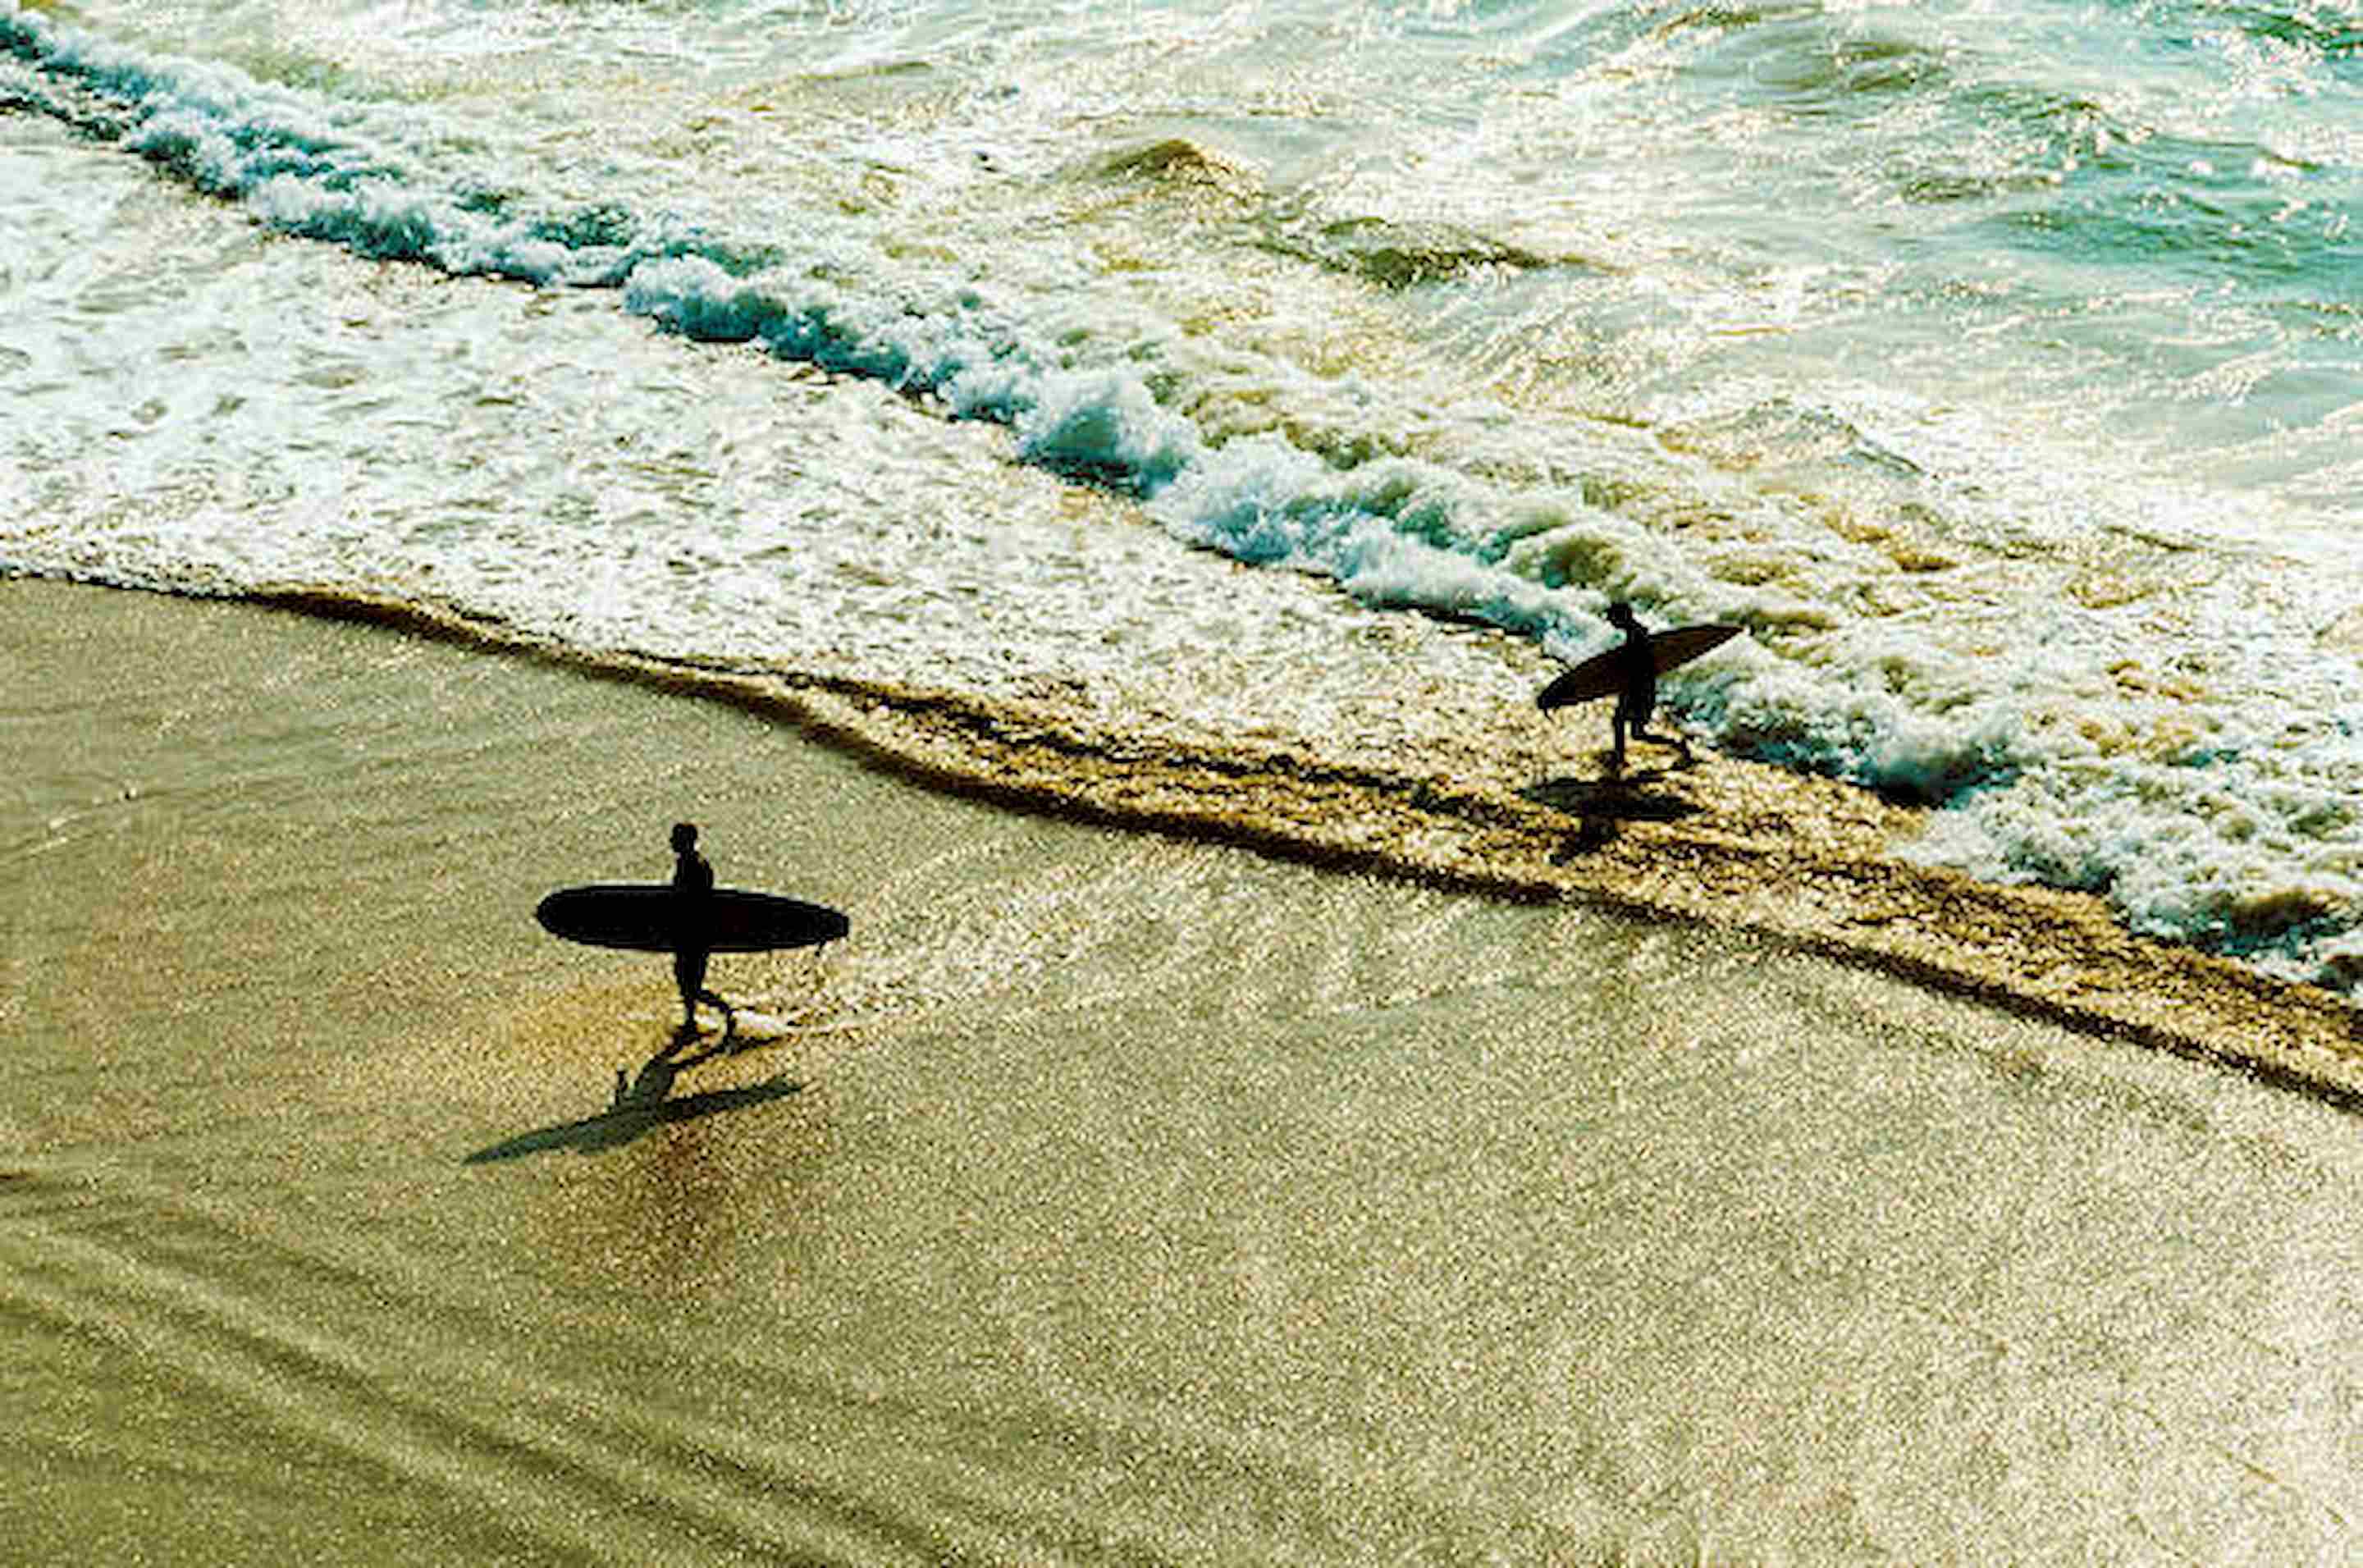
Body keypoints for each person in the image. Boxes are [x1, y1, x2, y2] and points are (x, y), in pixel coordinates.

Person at [1605, 601, 1693, 777]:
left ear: (1622, 617)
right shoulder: (1636, 633)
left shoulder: (1637, 636)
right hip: (1636, 689)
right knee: (1621, 723)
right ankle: (1619, 756)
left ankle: (1678, 746)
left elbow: (1641, 667)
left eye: (1613, 618)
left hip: (1639, 691)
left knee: (1635, 731)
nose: (1610, 622)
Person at [670, 821, 734, 1038]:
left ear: (686, 841)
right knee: (684, 980)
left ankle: (726, 1011)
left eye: (676, 838)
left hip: (696, 933)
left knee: (691, 985)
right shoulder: (688, 863)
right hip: (689, 932)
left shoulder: (695, 865)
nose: (671, 842)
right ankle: (690, 1022)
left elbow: (698, 902)